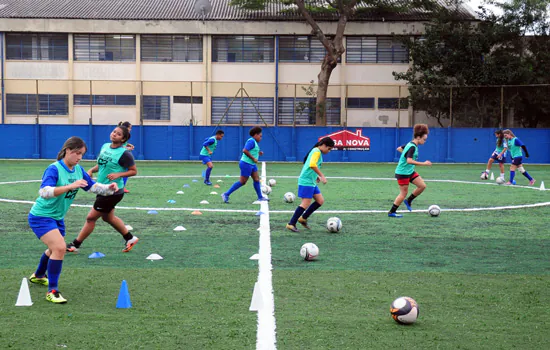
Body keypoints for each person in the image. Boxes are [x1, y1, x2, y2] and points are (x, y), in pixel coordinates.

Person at [28, 137, 118, 303]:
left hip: (57, 218)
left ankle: (39, 275)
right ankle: (52, 291)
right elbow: (44, 192)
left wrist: (108, 189)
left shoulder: (78, 169)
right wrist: (69, 186)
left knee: (54, 249)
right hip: (41, 217)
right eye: (77, 153)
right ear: (67, 150)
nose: (79, 157)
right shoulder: (54, 169)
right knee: (60, 248)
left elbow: (91, 186)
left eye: (81, 154)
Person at [66, 125, 139, 253]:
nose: (114, 134)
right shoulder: (105, 146)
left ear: (123, 139)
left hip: (113, 191)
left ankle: (75, 245)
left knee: (91, 218)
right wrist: (91, 170)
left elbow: (134, 171)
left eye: (118, 134)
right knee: (108, 218)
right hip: (102, 189)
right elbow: (101, 164)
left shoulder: (125, 154)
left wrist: (118, 175)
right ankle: (130, 238)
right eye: (114, 131)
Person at [286, 137, 335, 232]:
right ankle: (291, 223)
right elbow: (312, 164)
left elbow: (308, 164)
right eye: (329, 149)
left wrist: (316, 176)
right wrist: (322, 176)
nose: (329, 151)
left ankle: (303, 218)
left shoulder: (316, 151)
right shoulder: (316, 151)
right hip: (306, 181)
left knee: (320, 201)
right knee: (305, 203)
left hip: (311, 181)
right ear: (324, 145)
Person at [388, 124, 432, 218]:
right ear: (418, 137)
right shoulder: (412, 147)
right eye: (424, 139)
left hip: (409, 171)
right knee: (403, 193)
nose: (425, 141)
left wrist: (405, 154)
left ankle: (408, 201)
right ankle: (391, 212)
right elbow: (409, 161)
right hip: (403, 173)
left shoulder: (411, 144)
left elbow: (399, 148)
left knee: (422, 186)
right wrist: (424, 163)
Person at [221, 126, 268, 203]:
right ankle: (226, 194)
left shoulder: (254, 142)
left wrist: (259, 153)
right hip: (246, 164)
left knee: (256, 179)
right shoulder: (251, 141)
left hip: (251, 164)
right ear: (256, 135)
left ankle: (260, 197)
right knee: (242, 182)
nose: (261, 138)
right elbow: (245, 150)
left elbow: (251, 150)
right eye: (260, 136)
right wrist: (253, 158)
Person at [117, 121, 134, 193]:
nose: (131, 129)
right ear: (126, 128)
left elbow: (123, 144)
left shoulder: (125, 135)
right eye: (130, 128)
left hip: (121, 154)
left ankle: (120, 186)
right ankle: (121, 187)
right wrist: (127, 148)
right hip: (121, 155)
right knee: (126, 171)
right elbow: (119, 145)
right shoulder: (122, 135)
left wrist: (128, 145)